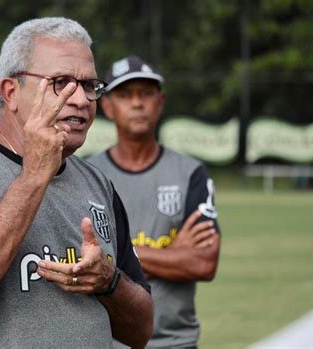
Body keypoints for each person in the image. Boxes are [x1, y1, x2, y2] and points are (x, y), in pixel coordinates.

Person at [0, 17, 153, 348]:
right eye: (61, 83)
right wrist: (34, 175)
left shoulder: (98, 185)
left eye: (89, 86)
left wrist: (107, 281)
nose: (79, 99)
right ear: (11, 92)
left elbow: (140, 332)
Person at [88, 55, 221, 349]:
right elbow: (82, 262)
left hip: (176, 343)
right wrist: (173, 253)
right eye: (124, 94)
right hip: (107, 342)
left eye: (145, 93)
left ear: (160, 102)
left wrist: (117, 260)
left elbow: (203, 262)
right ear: (107, 106)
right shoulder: (88, 176)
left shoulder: (190, 173)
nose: (137, 103)